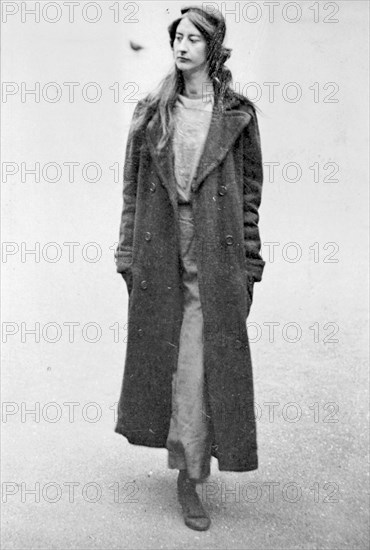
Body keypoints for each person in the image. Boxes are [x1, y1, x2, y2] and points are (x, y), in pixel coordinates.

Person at [114, 5, 265, 532]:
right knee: (170, 357)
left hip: (215, 256)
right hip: (160, 251)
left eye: (193, 39)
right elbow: (132, 192)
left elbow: (249, 198)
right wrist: (127, 255)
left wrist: (250, 263)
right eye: (177, 37)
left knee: (200, 364)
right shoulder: (152, 110)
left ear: (212, 48)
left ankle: (191, 476)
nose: (182, 46)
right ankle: (185, 452)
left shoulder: (238, 115)